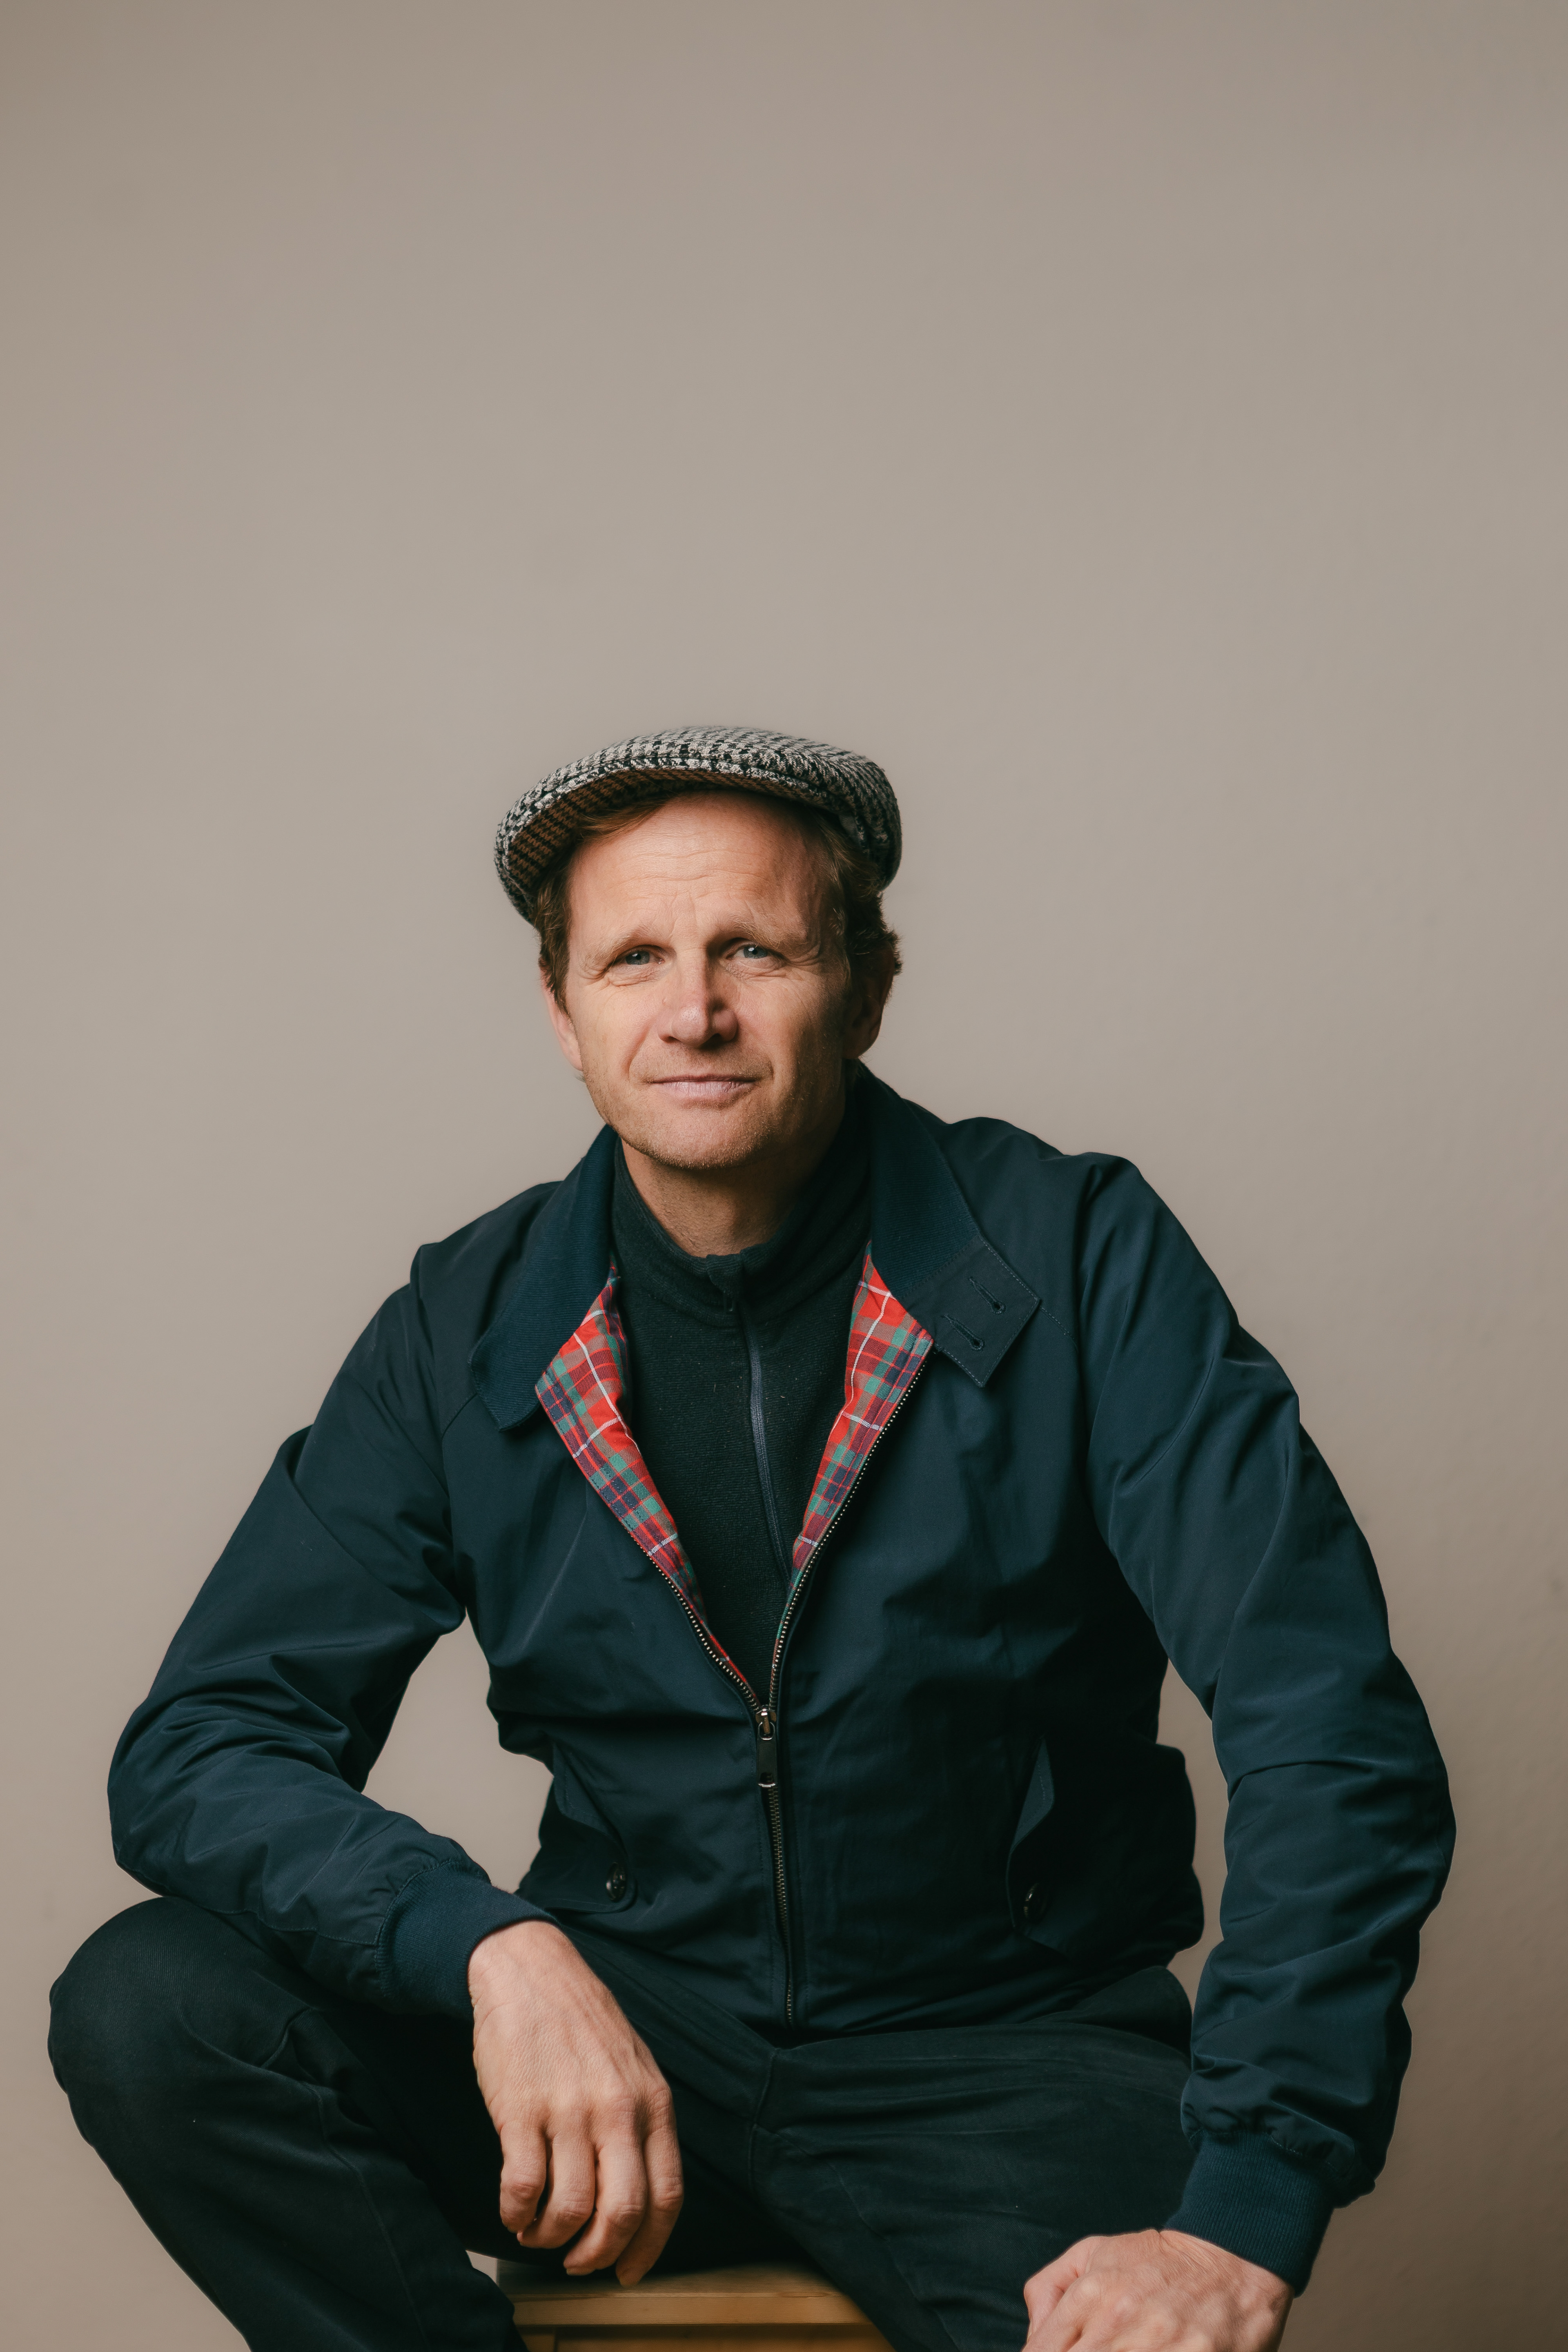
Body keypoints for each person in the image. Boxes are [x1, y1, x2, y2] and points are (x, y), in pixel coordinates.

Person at [50, 728, 1452, 2352]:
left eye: (755, 952)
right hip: (630, 2056)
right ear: (562, 1011)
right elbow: (204, 1745)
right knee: (153, 2008)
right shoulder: (464, 1327)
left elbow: (1323, 1720)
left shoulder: (1077, 1257)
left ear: (866, 987)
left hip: (1013, 2065)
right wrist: (494, 1951)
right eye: (633, 958)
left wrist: (1247, 2207)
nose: (694, 1011)